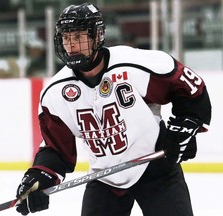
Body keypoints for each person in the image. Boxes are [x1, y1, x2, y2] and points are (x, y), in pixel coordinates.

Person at [15, 2, 212, 216]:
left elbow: (190, 87)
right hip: (104, 179)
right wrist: (39, 178)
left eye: (78, 37)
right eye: (66, 38)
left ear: (96, 36)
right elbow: (55, 148)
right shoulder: (56, 92)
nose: (71, 45)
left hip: (156, 167)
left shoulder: (135, 65)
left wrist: (186, 125)